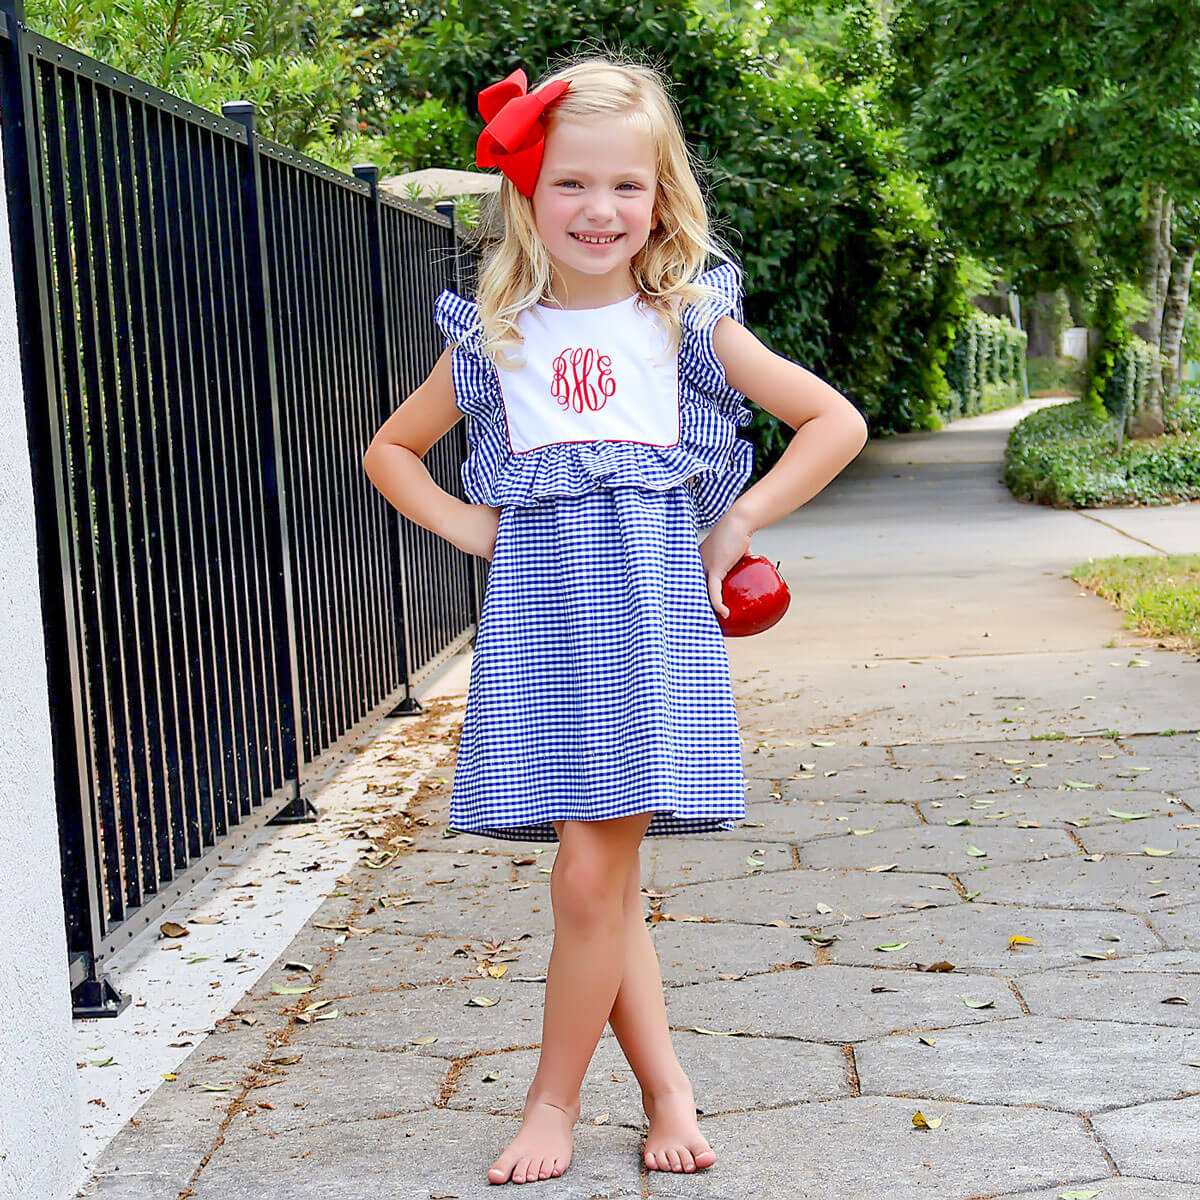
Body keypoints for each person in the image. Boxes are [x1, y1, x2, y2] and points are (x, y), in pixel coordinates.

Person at [362, 53, 868, 1187]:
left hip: (652, 631)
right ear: (529, 196)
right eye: (572, 186)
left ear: (662, 193)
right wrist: (476, 530)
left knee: (590, 876)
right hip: (543, 633)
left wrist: (735, 525)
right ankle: (666, 1088)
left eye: (625, 187)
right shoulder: (496, 334)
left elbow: (833, 422)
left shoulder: (685, 320)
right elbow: (389, 452)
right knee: (605, 877)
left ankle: (552, 1102)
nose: (600, 210)